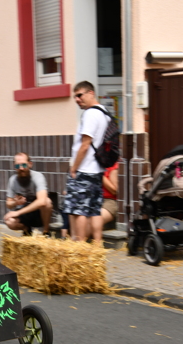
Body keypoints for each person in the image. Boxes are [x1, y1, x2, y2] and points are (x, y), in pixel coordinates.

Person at [64, 81, 109, 243]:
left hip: (84, 169)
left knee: (78, 210)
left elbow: (85, 144)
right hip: (97, 169)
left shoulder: (90, 114)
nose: (77, 99)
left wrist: (74, 168)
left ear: (91, 93)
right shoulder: (104, 112)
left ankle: (80, 244)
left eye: (79, 95)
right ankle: (97, 244)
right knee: (95, 210)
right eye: (75, 96)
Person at [3, 152, 52, 235]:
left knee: (47, 202)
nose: (21, 168)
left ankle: (46, 232)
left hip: (39, 214)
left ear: (30, 164)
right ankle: (27, 231)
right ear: (15, 167)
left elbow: (42, 201)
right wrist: (15, 202)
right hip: (24, 213)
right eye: (18, 166)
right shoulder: (13, 180)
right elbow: (8, 203)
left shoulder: (38, 176)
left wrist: (17, 213)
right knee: (9, 221)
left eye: (24, 165)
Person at [90, 161, 119, 242]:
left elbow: (115, 190)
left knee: (93, 221)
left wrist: (100, 175)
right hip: (94, 199)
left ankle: (95, 246)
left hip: (110, 201)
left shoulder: (113, 165)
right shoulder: (92, 164)